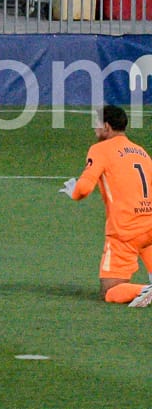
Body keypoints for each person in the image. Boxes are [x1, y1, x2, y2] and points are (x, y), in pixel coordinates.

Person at [61, 104, 152, 307]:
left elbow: (84, 189)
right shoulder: (141, 152)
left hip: (124, 231)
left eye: (97, 125)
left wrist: (74, 192)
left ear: (107, 127)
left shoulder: (100, 150)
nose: (94, 130)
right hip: (150, 227)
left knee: (110, 290)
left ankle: (144, 290)